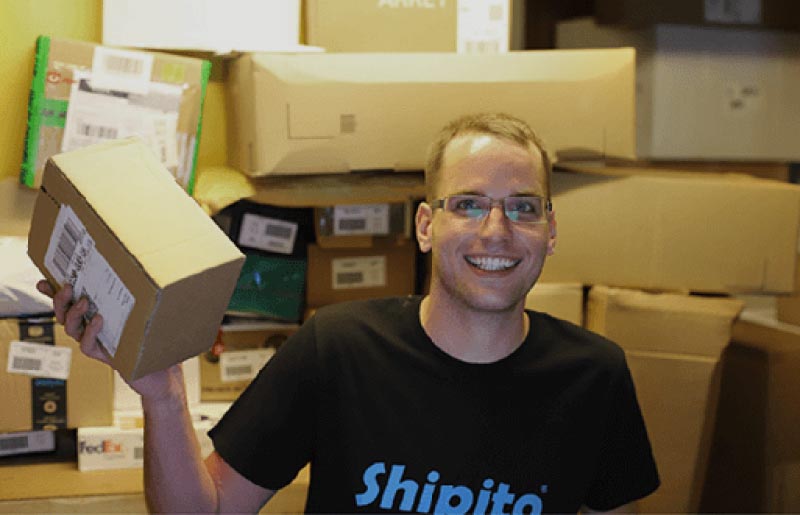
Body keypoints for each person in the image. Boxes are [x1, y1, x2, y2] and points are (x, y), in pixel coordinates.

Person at [39, 112, 659, 514]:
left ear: (550, 230)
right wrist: (164, 393)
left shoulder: (595, 375)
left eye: (523, 207)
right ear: (426, 226)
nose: (496, 230)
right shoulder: (337, 348)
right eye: (468, 204)